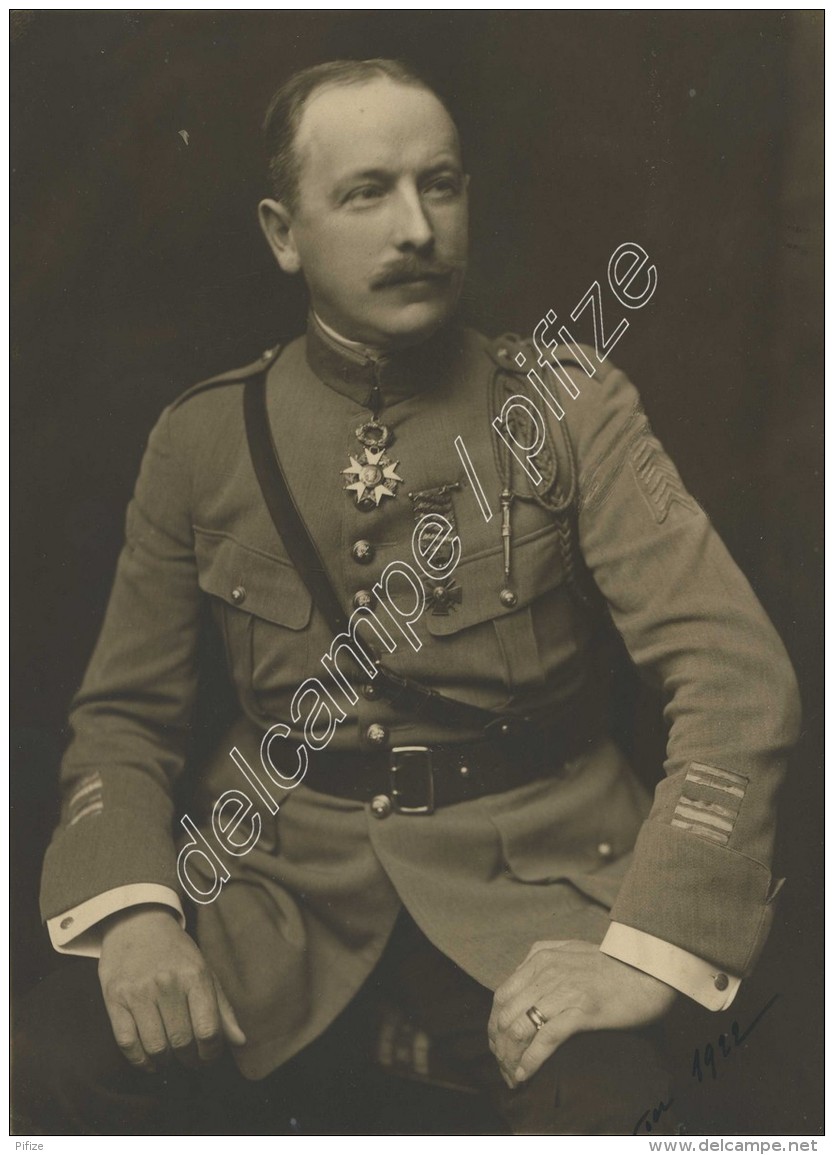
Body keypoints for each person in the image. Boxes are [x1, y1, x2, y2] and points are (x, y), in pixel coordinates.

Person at [16, 58, 800, 1136]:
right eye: (367, 192)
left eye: (440, 185)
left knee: (619, 1116)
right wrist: (142, 915)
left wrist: (648, 953)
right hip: (274, 904)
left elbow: (736, 675)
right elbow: (122, 720)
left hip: (536, 897)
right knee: (44, 1070)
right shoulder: (202, 440)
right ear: (284, 234)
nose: (418, 227)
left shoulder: (570, 408)